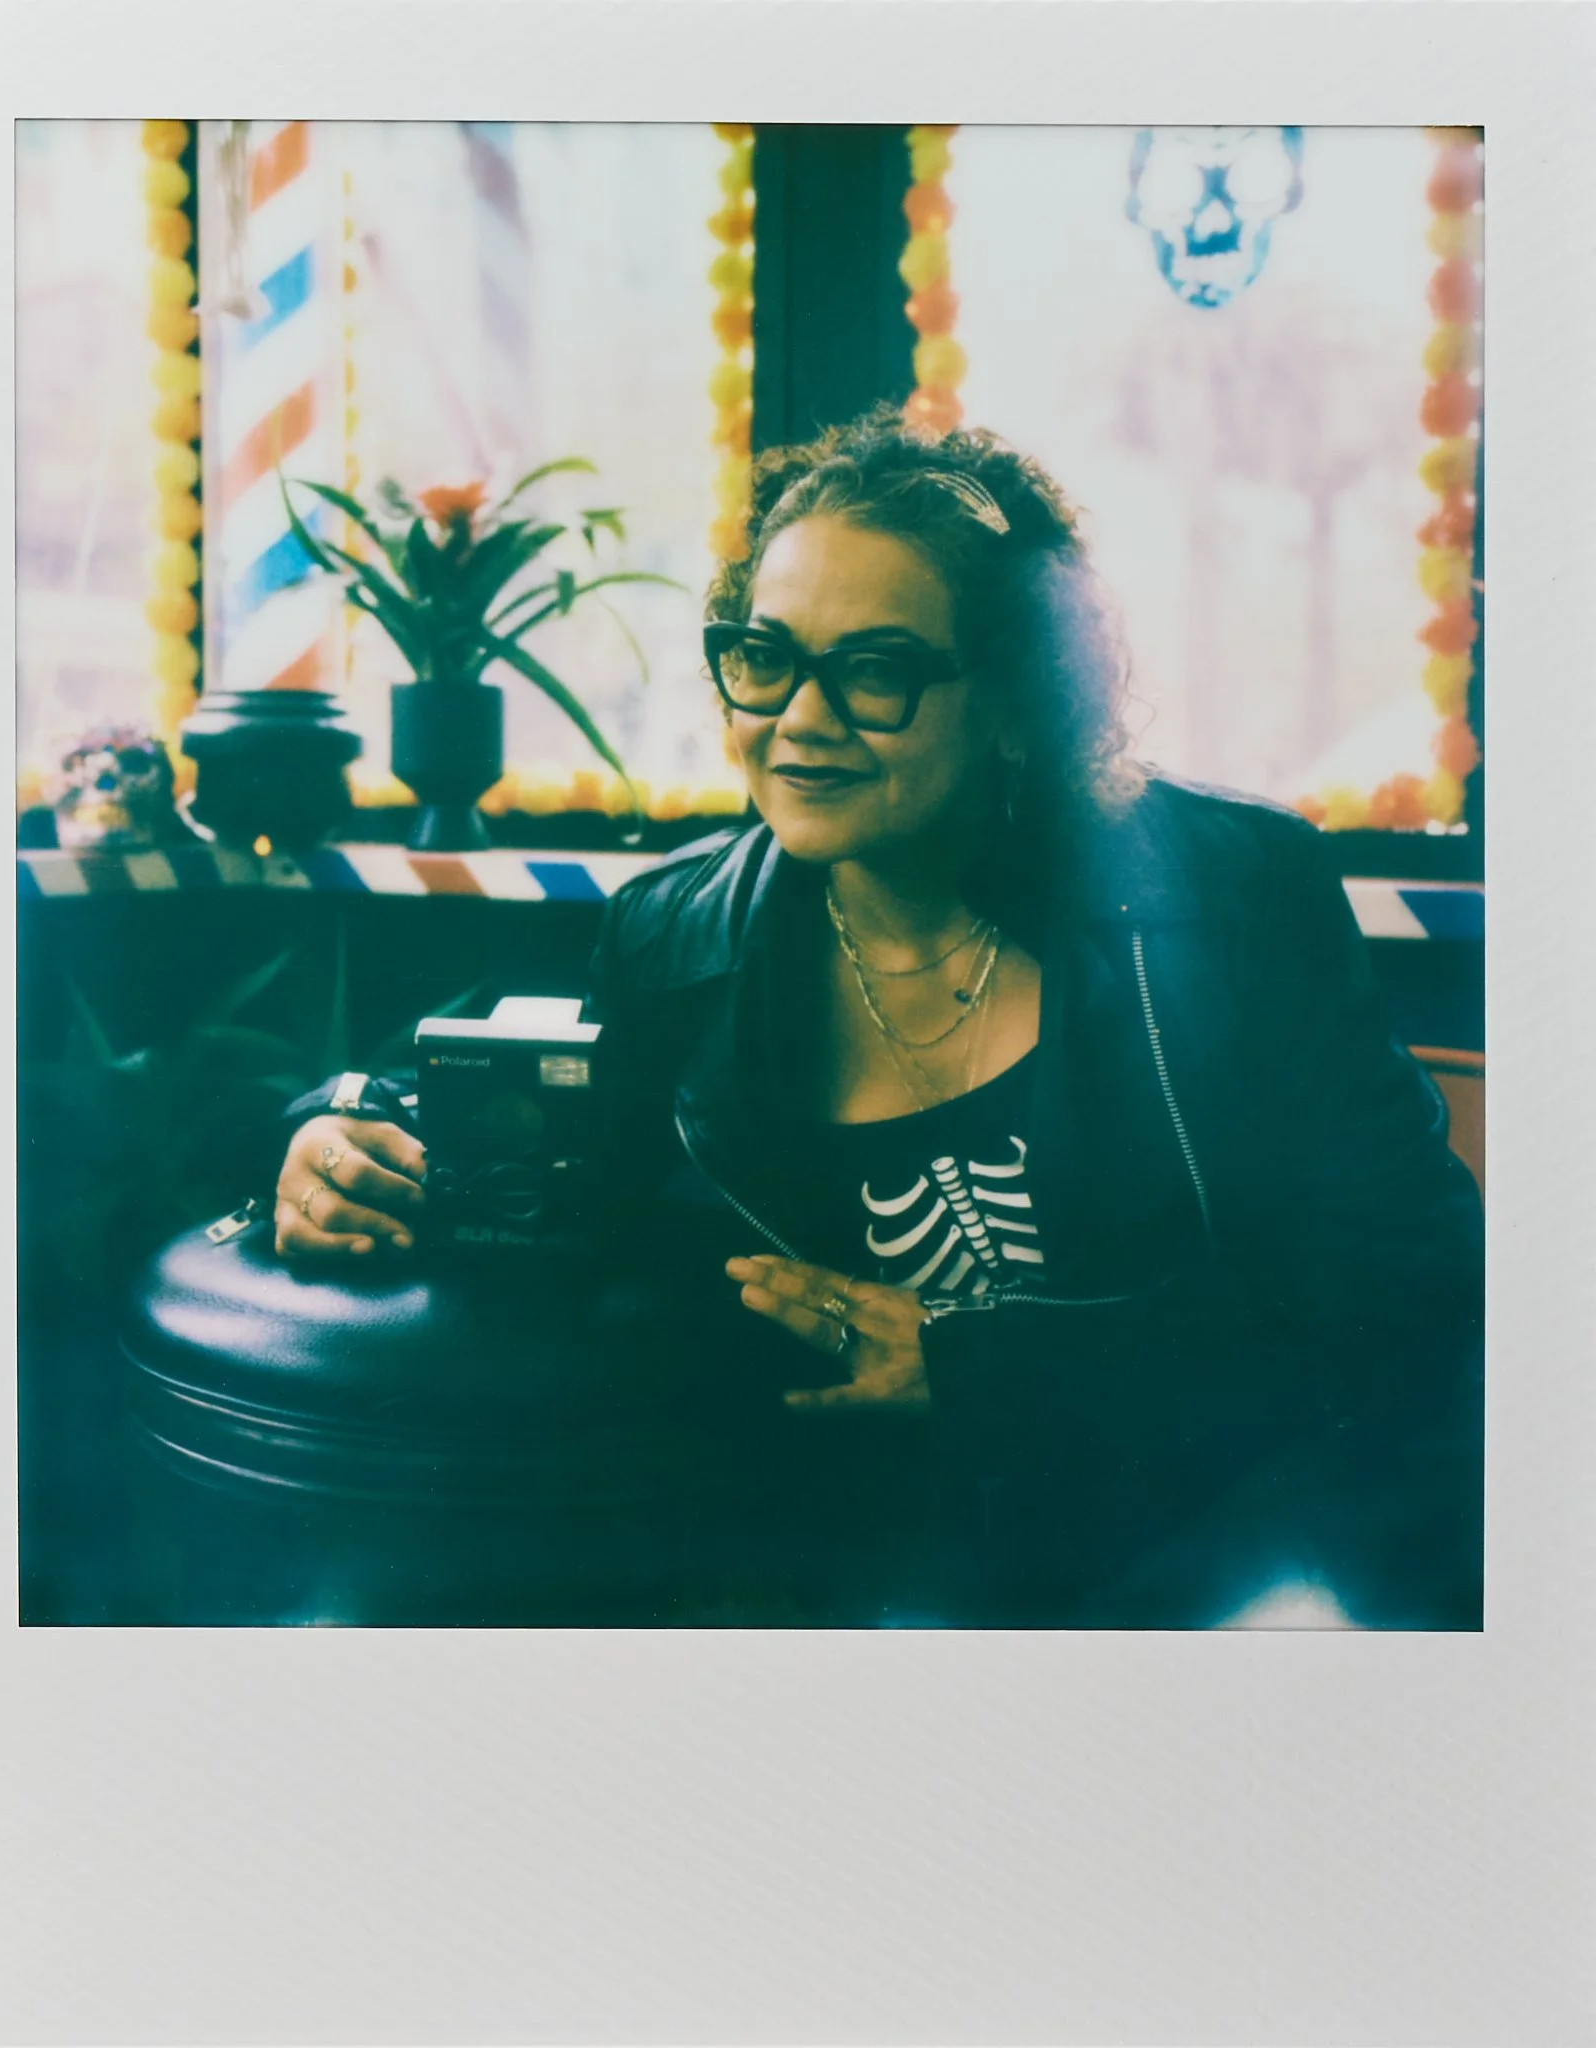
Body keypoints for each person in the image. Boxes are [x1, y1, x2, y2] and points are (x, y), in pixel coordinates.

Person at [272, 406, 1484, 1629]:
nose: (798, 717)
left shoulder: (1232, 897)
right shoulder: (677, 936)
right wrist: (342, 1135)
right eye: (763, 654)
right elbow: (524, 1126)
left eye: (876, 670)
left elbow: (1415, 1292)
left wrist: (990, 1373)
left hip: (1213, 1550)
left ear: (1021, 702)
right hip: (838, 1565)